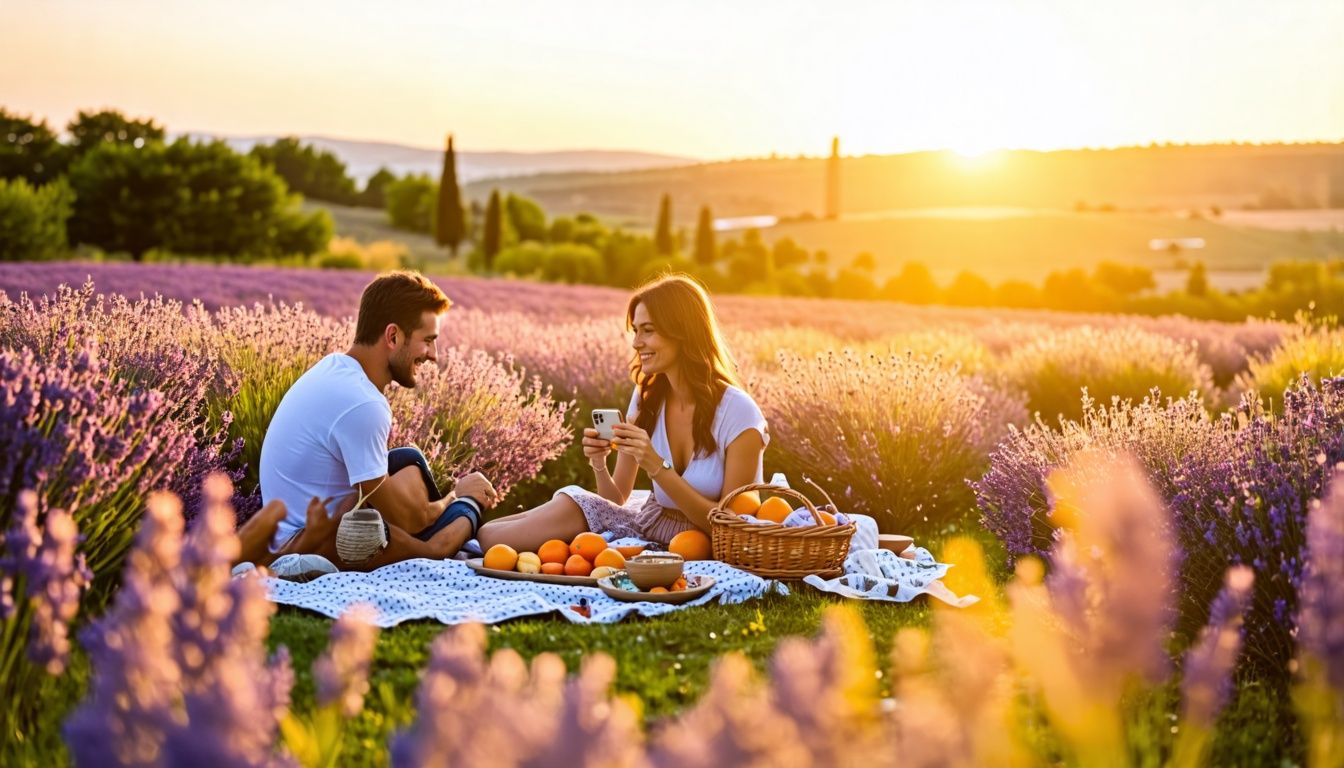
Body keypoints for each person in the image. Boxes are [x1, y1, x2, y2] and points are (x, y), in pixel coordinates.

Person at [477, 274, 767, 553]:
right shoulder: (647, 396)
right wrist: (599, 463)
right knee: (491, 532)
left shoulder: (738, 412)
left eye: (648, 330)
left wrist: (656, 466)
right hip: (651, 523)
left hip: (702, 542)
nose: (636, 342)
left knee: (492, 539)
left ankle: (453, 522)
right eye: (636, 330)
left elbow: (733, 527)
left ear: (683, 332)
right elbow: (616, 499)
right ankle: (458, 517)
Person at [236, 270, 498, 577]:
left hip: (295, 529)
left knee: (407, 459)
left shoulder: (334, 368)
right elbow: (408, 520)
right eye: (427, 340)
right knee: (437, 545)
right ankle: (469, 506)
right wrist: (458, 495)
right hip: (318, 540)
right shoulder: (364, 403)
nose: (434, 355)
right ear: (392, 336)